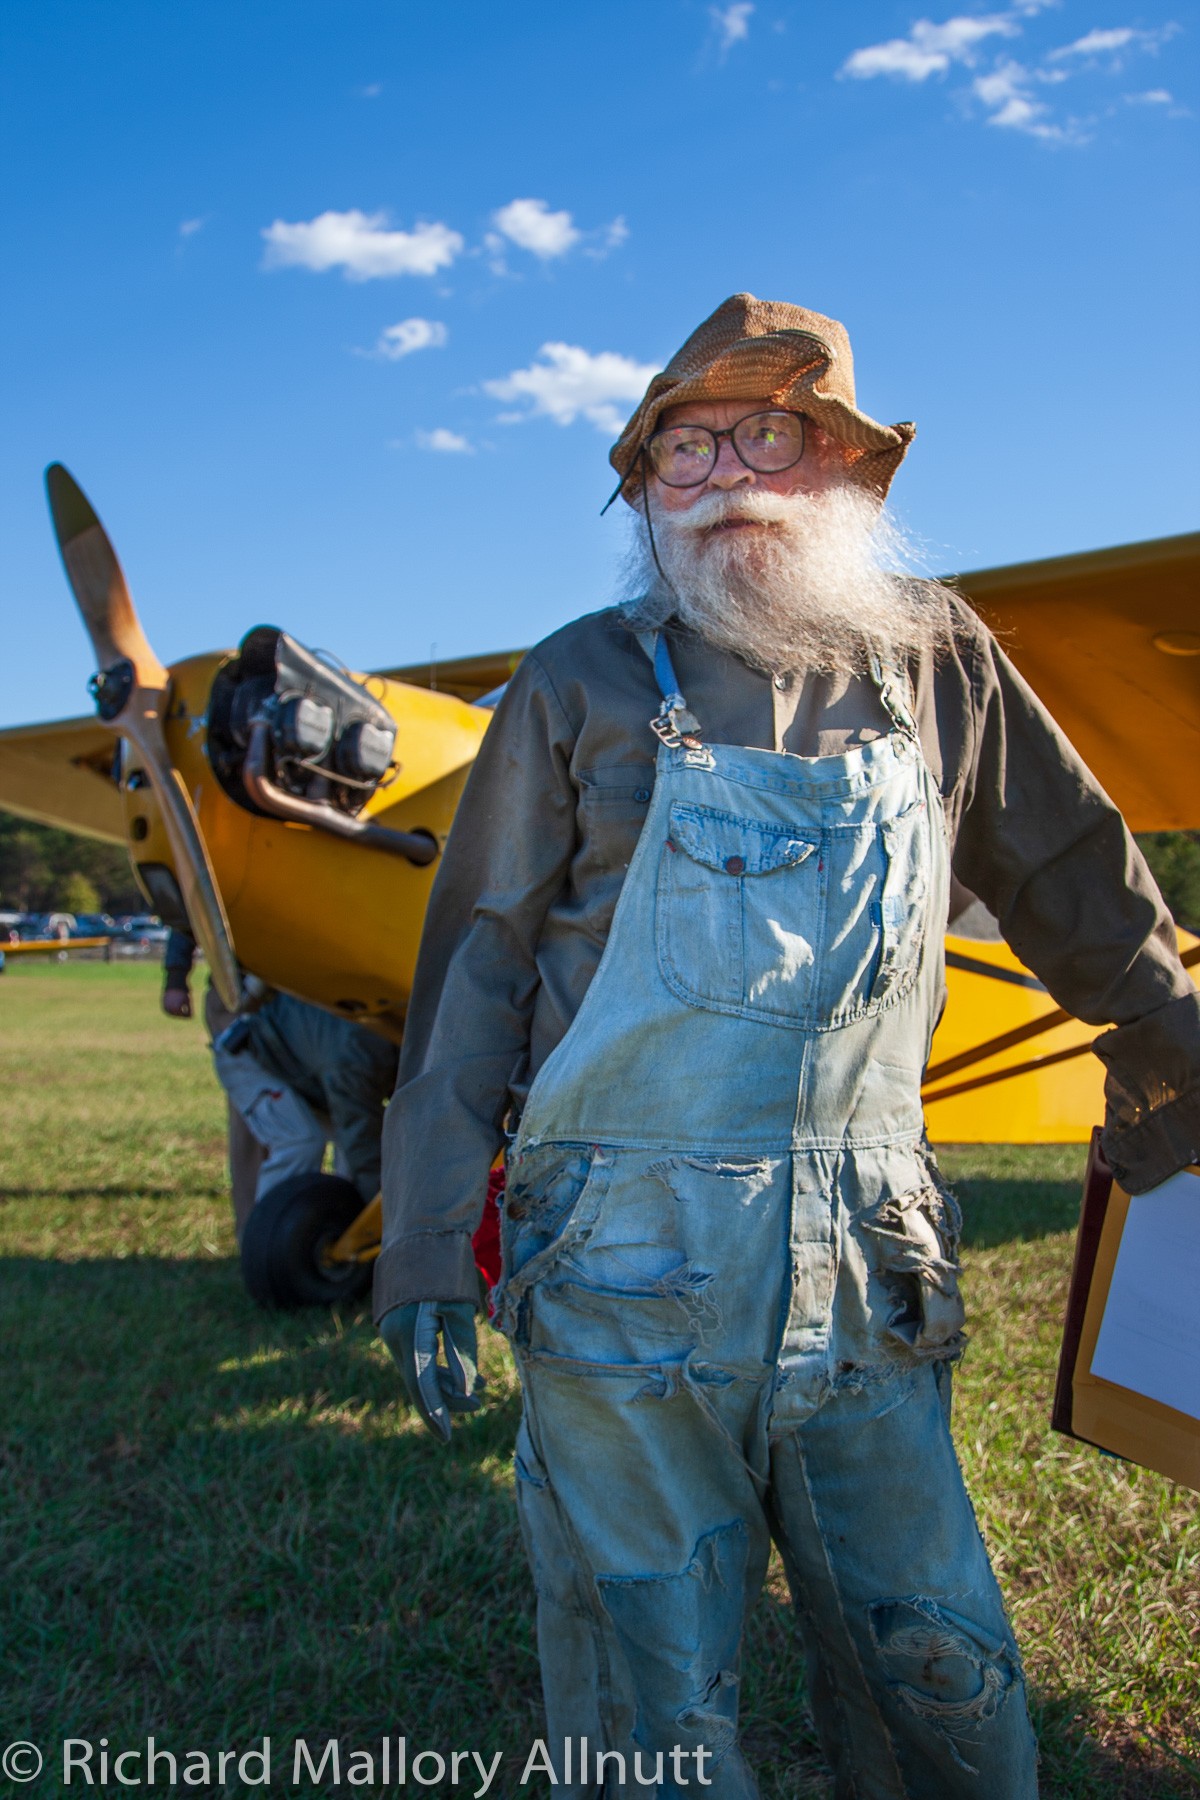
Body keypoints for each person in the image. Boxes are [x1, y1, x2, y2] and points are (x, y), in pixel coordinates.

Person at [374, 295, 1200, 1797]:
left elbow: (1074, 875)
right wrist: (426, 1243)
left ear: (845, 470)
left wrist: (1181, 1048)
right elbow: (475, 969)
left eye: (769, 432)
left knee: (937, 1666)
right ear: (641, 495)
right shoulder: (573, 681)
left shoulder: (942, 660)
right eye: (682, 451)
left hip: (871, 1269)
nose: (728, 474)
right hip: (620, 1270)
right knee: (650, 1695)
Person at [162, 929, 398, 1239]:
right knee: (301, 1142)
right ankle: (267, 1242)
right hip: (251, 1060)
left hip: (305, 1070)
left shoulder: (379, 1044)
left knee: (357, 1139)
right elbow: (361, 1137)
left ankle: (346, 1238)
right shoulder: (357, 1058)